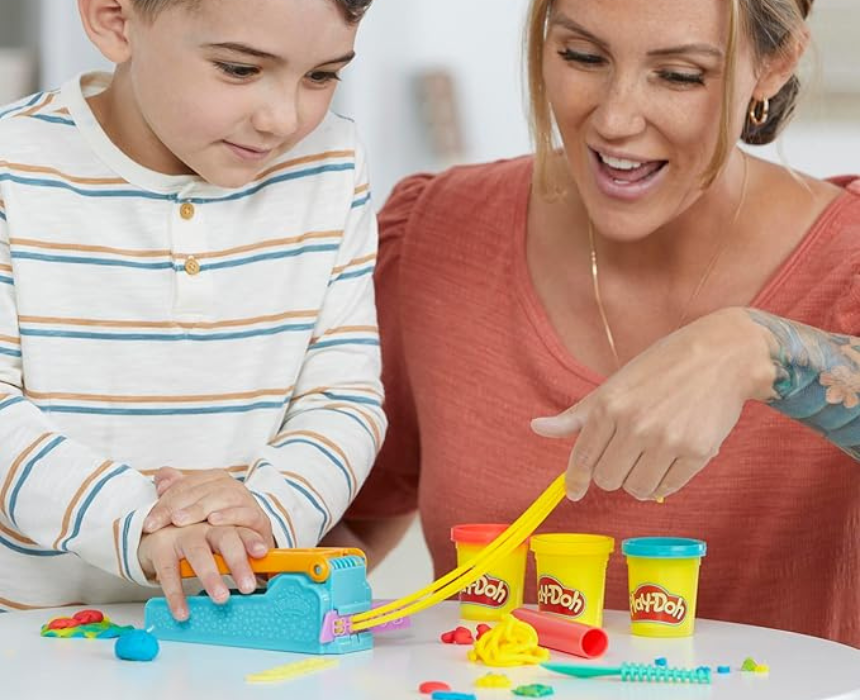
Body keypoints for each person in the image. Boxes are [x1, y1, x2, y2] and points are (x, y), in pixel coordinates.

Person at [333, 0, 860, 646]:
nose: (614, 119)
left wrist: (760, 351)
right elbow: (348, 523)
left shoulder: (848, 263)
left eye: (679, 75)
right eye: (582, 56)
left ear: (775, 64)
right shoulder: (439, 236)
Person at [0, 0, 385, 621]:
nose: (283, 118)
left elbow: (342, 397)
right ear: (115, 20)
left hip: (238, 621)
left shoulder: (331, 162)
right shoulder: (12, 163)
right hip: (30, 634)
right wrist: (144, 524)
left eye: (321, 75)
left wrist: (266, 516)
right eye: (239, 69)